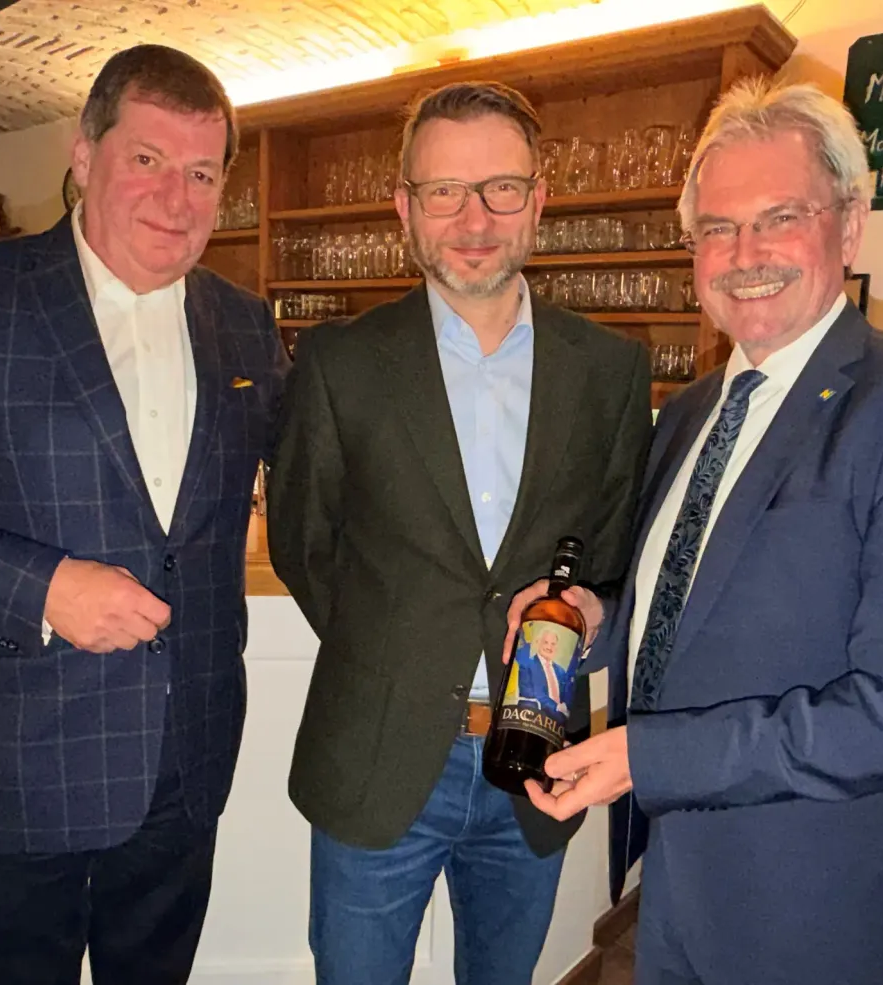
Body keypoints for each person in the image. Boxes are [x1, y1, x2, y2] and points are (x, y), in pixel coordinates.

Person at [507, 79, 883, 985]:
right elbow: (697, 599)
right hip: (675, 890)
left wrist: (656, 755)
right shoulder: (687, 414)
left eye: (779, 217)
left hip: (827, 911)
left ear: (850, 223)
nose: (744, 252)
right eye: (717, 227)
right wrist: (601, 621)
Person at [0, 44, 287, 985]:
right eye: (147, 160)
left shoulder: (243, 324)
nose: (176, 195)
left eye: (202, 172)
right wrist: (44, 588)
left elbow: (320, 486)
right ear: (84, 155)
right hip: (23, 765)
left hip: (185, 758)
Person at [268, 81, 653, 985]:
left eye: (500, 188)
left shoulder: (610, 369)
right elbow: (304, 541)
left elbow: (618, 555)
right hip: (376, 753)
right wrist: (397, 653)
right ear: (404, 206)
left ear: (539, 200)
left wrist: (589, 616)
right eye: (443, 190)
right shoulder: (340, 363)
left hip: (539, 760)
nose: (473, 216)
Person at [515, 626, 572, 718]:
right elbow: (533, 693)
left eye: (553, 644)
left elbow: (567, 693)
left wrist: (565, 706)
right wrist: (557, 707)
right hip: (535, 716)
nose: (549, 647)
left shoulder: (561, 671)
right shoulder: (528, 665)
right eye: (545, 642)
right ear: (538, 643)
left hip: (560, 719)